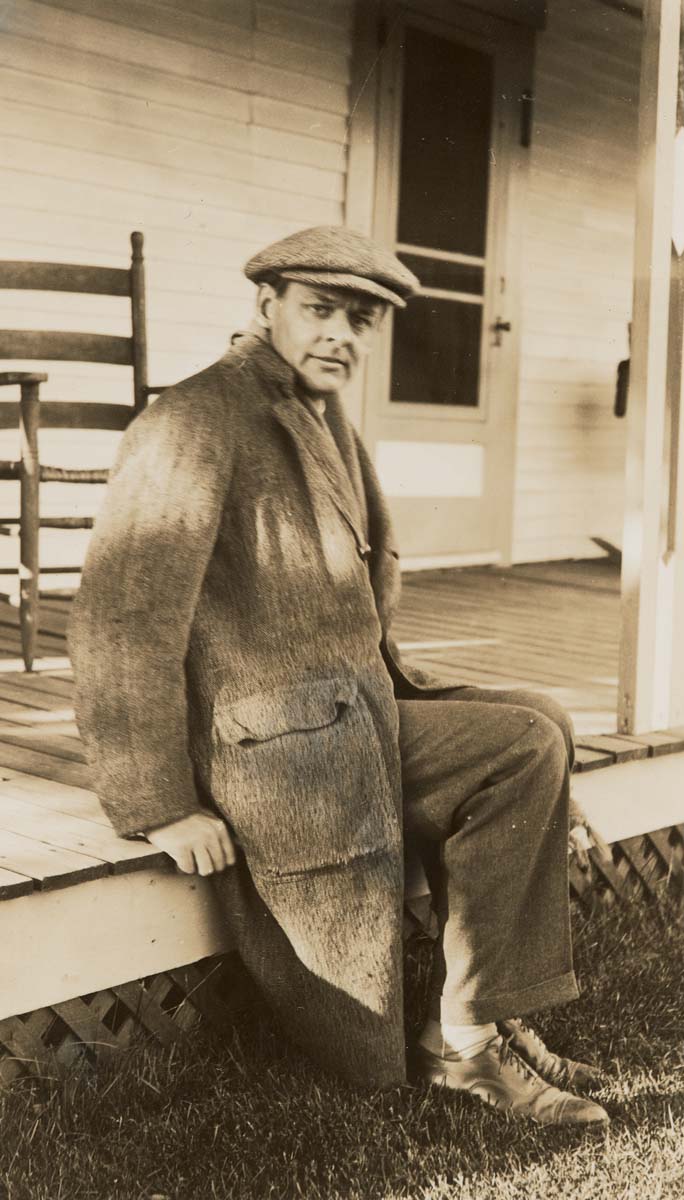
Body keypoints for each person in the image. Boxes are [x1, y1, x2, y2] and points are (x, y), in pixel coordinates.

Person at [69, 226, 609, 1127]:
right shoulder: (197, 418)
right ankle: (469, 1048)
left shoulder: (318, 417)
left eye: (360, 320)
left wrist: (546, 775)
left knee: (537, 723)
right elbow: (124, 619)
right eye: (320, 309)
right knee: (519, 749)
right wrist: (160, 801)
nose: (340, 336)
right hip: (273, 750)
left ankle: (487, 1020)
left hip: (340, 715)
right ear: (266, 305)